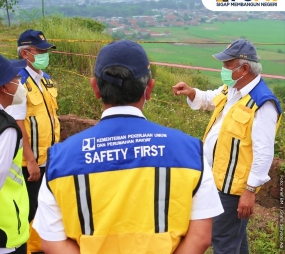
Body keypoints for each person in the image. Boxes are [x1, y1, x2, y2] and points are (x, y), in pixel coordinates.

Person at [33, 39, 223, 254]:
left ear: (95, 88)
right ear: (149, 89)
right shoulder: (190, 152)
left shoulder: (60, 159)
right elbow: (200, 238)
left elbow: (50, 242)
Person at [172, 38, 282, 254]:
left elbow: (264, 153)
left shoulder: (262, 103)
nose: (223, 69)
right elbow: (210, 98)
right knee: (234, 240)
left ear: (244, 68)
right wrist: (191, 92)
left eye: (227, 65)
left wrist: (249, 191)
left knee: (223, 242)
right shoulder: (231, 89)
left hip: (233, 188)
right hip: (217, 179)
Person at [5, 29, 60, 254]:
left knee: (47, 207)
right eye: (41, 51)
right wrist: (30, 159)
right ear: (26, 53)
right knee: (31, 208)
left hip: (50, 157)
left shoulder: (45, 79)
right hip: (33, 162)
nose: (45, 54)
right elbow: (18, 123)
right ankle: (29, 248)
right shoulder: (17, 84)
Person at [0, 55, 29, 254]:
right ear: (4, 87)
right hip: (6, 227)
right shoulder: (7, 128)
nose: (20, 84)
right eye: (16, 79)